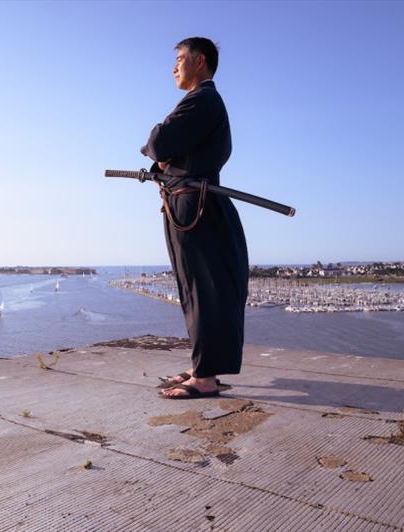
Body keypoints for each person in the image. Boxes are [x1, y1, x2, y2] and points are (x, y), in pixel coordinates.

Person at [141, 37, 249, 399]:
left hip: (194, 207)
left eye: (180, 59)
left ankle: (204, 378)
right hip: (189, 203)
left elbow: (159, 143)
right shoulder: (203, 102)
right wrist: (164, 159)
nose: (173, 67)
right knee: (196, 289)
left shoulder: (202, 100)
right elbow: (162, 156)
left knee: (202, 289)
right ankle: (202, 366)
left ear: (200, 61)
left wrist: (161, 149)